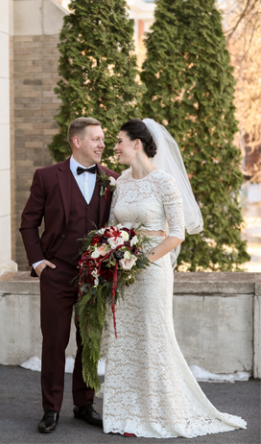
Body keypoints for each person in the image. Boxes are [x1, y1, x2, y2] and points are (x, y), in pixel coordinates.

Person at [102, 118, 246, 437]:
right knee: (123, 337)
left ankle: (156, 411)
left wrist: (140, 262)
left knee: (153, 337)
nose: (115, 147)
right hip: (122, 271)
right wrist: (111, 252)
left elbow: (177, 234)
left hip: (151, 271)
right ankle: (123, 411)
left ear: (137, 143)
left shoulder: (165, 181)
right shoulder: (122, 182)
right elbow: (113, 225)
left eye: (120, 141)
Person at [20, 117, 119, 434]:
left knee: (89, 342)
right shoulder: (47, 177)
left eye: (103, 139)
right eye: (97, 139)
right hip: (57, 273)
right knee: (54, 343)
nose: (102, 144)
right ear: (77, 141)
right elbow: (28, 223)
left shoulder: (113, 180)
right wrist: (38, 263)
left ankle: (84, 404)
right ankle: (51, 409)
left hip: (94, 276)